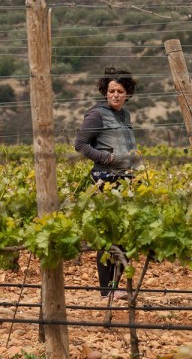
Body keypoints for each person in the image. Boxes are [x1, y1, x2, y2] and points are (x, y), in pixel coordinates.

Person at [73, 66, 138, 300]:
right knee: (107, 235)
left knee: (124, 234)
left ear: (127, 93)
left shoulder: (125, 115)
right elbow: (80, 145)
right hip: (105, 182)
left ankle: (117, 286)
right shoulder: (96, 114)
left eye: (120, 91)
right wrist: (106, 158)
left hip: (125, 180)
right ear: (105, 91)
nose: (115, 95)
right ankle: (106, 290)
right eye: (111, 91)